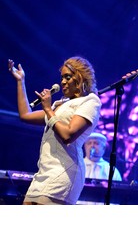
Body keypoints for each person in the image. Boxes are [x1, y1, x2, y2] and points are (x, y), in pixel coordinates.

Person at [7, 56, 102, 205]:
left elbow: (68, 135)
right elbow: (25, 115)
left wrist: (47, 109)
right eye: (62, 77)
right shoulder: (61, 104)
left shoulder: (90, 101)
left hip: (64, 173)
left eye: (68, 77)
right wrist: (21, 81)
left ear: (80, 77)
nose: (62, 81)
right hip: (44, 172)